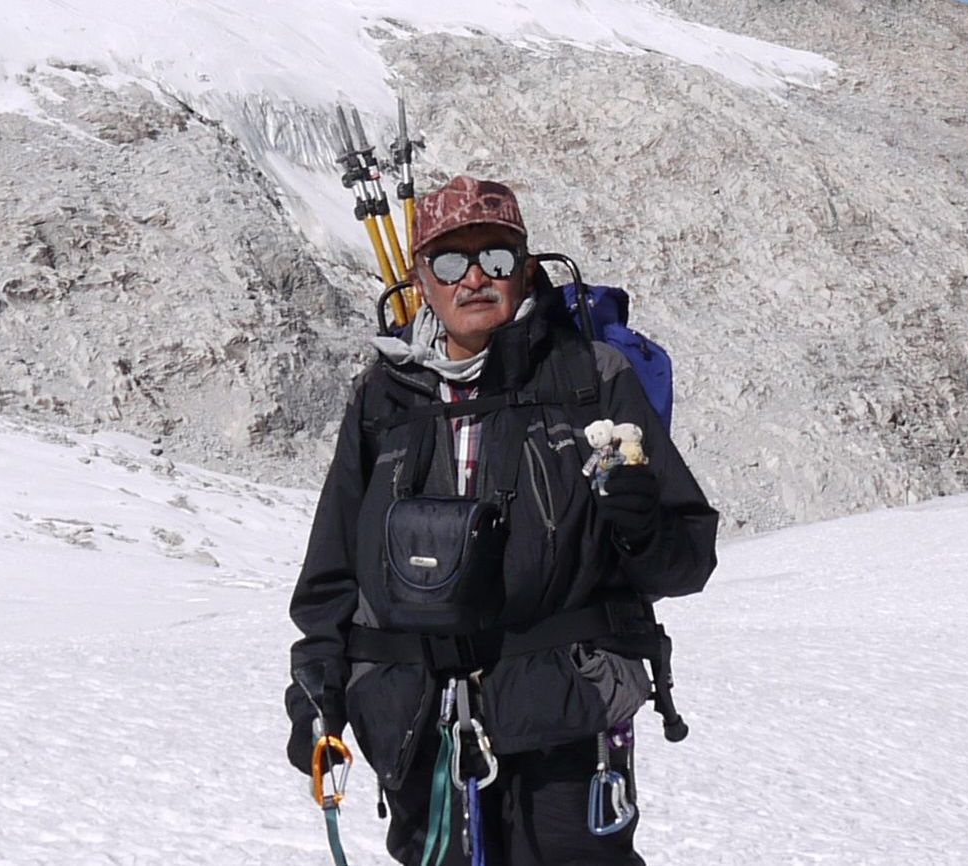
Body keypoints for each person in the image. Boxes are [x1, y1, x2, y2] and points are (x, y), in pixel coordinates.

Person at [285, 175, 718, 865]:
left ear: (525, 270)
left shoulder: (590, 378)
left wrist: (640, 526)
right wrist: (318, 683)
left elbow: (685, 560)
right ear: (420, 279)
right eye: (450, 262)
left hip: (566, 710)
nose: (474, 279)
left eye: (496, 258)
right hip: (415, 713)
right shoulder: (383, 397)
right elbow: (335, 561)